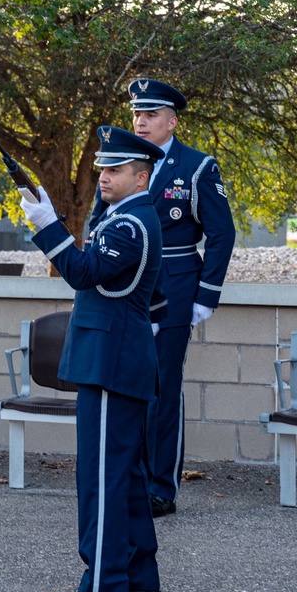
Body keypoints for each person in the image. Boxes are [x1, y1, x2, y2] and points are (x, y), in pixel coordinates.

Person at [22, 126, 164, 592]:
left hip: (112, 363)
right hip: (117, 358)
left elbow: (82, 273)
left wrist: (46, 225)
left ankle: (104, 584)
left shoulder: (131, 224)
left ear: (141, 176)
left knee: (101, 477)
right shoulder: (125, 217)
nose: (104, 176)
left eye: (116, 170)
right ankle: (139, 574)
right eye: (103, 168)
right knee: (124, 475)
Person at [88, 79, 235, 517]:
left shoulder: (196, 167)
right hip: (126, 288)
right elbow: (98, 221)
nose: (141, 121)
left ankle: (160, 488)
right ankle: (128, 478)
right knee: (128, 382)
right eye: (138, 114)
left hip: (175, 285)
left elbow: (221, 234)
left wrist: (205, 294)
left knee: (163, 388)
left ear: (172, 121)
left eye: (151, 115)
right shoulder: (123, 163)